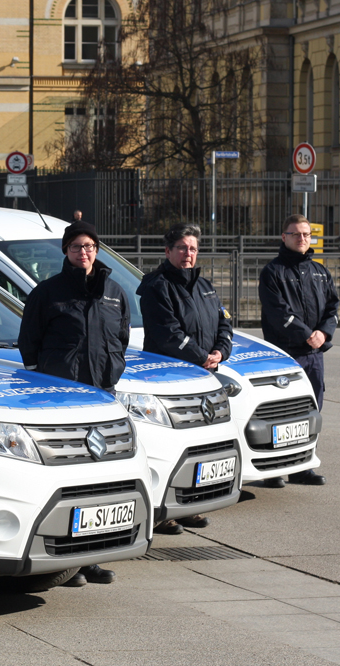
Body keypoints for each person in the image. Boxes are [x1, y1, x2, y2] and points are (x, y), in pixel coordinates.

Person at [18, 221, 128, 586]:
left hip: (102, 398)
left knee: (102, 484)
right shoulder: (48, 292)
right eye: (78, 246)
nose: (85, 252)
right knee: (71, 483)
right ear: (66, 251)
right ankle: (65, 563)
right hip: (61, 400)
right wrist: (42, 377)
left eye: (91, 246)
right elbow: (29, 341)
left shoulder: (113, 291)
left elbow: (121, 337)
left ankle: (91, 559)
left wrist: (113, 369)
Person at [136, 223, 233, 534]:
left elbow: (224, 323)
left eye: (192, 248)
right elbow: (167, 333)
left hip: (205, 377)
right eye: (181, 248)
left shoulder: (205, 285)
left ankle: (193, 504)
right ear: (167, 251)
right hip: (171, 379)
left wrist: (220, 351)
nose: (187, 254)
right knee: (174, 447)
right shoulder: (156, 286)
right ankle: (165, 513)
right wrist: (200, 357)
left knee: (202, 447)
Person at [258, 214, 337, 488]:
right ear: (284, 237)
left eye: (305, 234)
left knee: (311, 411)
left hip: (314, 357)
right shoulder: (272, 272)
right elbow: (278, 313)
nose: (302, 238)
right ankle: (272, 470)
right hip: (285, 355)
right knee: (280, 414)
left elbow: (332, 308)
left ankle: (302, 467)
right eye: (295, 234)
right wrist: (307, 336)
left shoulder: (320, 271)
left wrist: (323, 334)